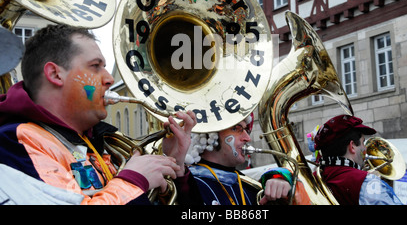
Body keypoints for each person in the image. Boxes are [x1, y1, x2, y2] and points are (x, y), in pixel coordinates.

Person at [0, 24, 196, 205]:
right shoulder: (14, 142)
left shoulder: (105, 140)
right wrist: (134, 181)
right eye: (95, 66)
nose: (110, 79)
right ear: (55, 74)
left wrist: (174, 171)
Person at [176, 115, 294, 205]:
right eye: (236, 129)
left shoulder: (251, 188)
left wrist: (283, 183)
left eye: (246, 130)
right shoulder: (185, 184)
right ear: (210, 134)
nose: (247, 138)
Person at [313, 114, 402, 205]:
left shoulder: (312, 179)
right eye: (363, 142)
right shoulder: (367, 182)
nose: (365, 149)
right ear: (352, 146)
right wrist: (367, 177)